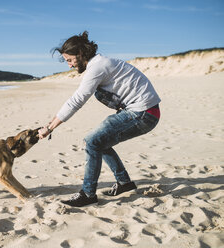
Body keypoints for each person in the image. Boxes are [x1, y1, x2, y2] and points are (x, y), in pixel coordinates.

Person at [38, 31, 161, 207]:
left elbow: (77, 100)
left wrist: (50, 128)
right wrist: (50, 124)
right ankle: (124, 183)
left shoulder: (97, 67)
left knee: (93, 141)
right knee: (100, 141)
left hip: (143, 113)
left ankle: (88, 194)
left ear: (80, 54)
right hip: (146, 111)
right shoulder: (100, 63)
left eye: (70, 60)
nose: (70, 65)